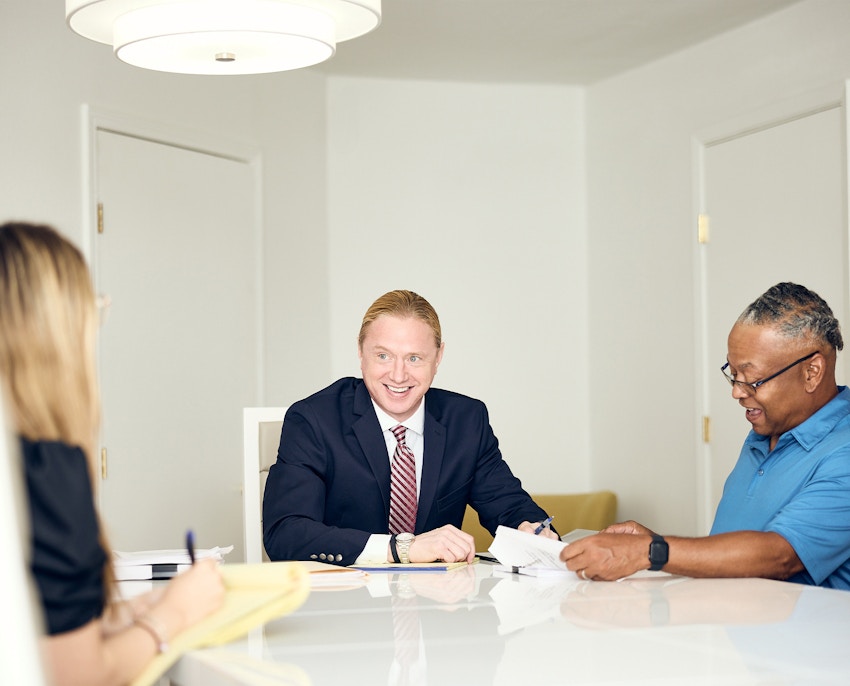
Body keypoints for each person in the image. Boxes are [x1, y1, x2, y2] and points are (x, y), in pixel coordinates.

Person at [0, 221, 225, 686]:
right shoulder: (44, 471)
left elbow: (29, 629)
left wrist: (125, 617)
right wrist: (172, 617)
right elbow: (80, 678)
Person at [560, 282, 850, 590]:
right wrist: (653, 544)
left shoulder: (842, 451)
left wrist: (651, 552)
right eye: (733, 374)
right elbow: (737, 553)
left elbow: (779, 557)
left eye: (753, 379)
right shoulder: (767, 432)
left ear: (812, 372)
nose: (737, 392)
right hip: (732, 628)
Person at [263, 289, 557, 565]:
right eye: (383, 356)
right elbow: (285, 533)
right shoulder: (314, 420)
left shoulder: (466, 420)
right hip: (344, 600)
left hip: (436, 605)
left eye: (414, 358)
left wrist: (530, 529)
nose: (398, 375)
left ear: (438, 357)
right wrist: (401, 548)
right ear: (360, 351)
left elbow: (507, 503)